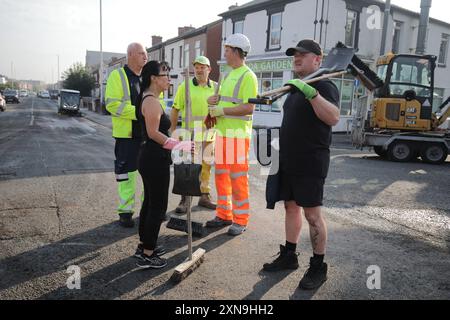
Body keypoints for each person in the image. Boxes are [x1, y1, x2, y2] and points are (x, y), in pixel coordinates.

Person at [262, 39, 340, 290]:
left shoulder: (323, 85)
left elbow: (333, 117)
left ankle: (318, 266)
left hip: (311, 162)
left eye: (303, 55)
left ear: (318, 59)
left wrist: (313, 94)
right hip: (288, 160)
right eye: (294, 55)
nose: (297, 58)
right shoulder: (295, 88)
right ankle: (289, 255)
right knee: (290, 208)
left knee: (312, 215)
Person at [134, 61, 193, 269]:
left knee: (150, 204)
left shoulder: (151, 99)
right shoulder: (151, 101)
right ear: (153, 78)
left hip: (152, 158)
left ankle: (144, 246)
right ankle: (147, 255)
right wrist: (180, 144)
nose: (169, 79)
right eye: (165, 75)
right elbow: (153, 133)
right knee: (157, 207)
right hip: (153, 159)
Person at [205, 34, 258, 236]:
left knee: (237, 179)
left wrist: (222, 111)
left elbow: (249, 107)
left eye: (227, 50)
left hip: (237, 137)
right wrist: (214, 102)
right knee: (221, 177)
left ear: (236, 51)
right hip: (223, 134)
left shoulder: (248, 76)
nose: (224, 53)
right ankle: (224, 214)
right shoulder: (227, 74)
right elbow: (224, 102)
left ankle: (240, 220)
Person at [105, 43, 147, 228]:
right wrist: (140, 112)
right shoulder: (117, 76)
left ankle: (148, 209)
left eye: (146, 54)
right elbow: (112, 105)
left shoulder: (147, 77)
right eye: (141, 54)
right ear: (130, 55)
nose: (145, 57)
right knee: (127, 176)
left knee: (148, 175)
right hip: (126, 137)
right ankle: (125, 211)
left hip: (146, 136)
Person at [170, 56, 218, 213]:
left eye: (202, 67)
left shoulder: (216, 88)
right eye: (196, 67)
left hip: (209, 133)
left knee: (206, 166)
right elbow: (176, 108)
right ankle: (185, 199)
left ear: (209, 69)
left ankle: (204, 195)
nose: (198, 70)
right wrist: (172, 131)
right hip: (189, 133)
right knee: (187, 167)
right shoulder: (186, 86)